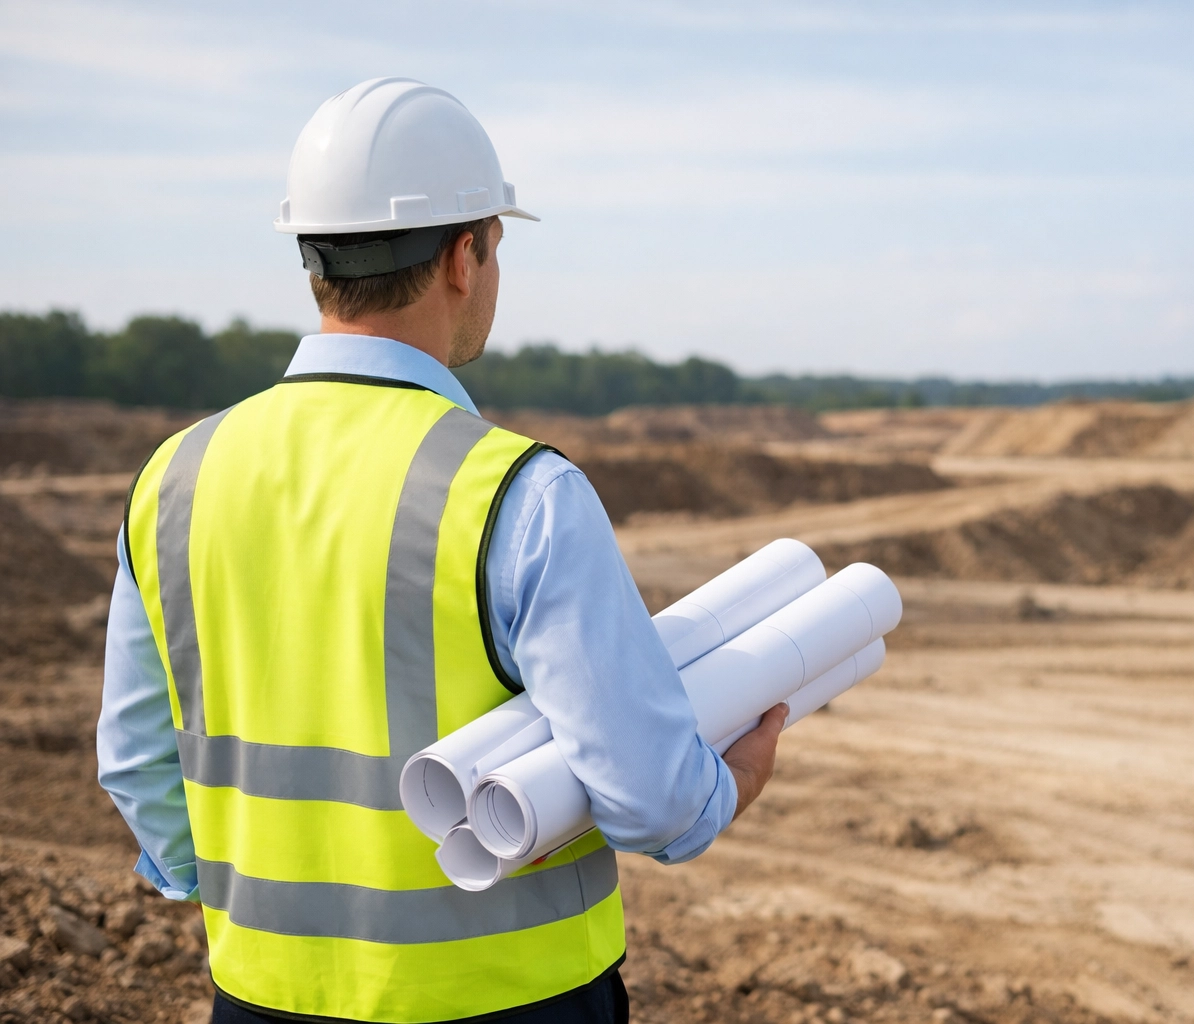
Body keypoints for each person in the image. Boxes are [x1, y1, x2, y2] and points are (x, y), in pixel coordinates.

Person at [97, 77, 788, 1024]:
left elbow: (137, 763)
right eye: (497, 245)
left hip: (260, 997)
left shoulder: (173, 478)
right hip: (509, 1003)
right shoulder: (518, 493)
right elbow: (652, 800)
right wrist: (730, 785)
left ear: (314, 259)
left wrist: (243, 896)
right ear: (465, 254)